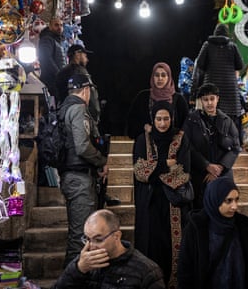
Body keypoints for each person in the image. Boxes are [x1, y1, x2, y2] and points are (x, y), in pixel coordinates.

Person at [133, 101, 191, 288]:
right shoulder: (143, 140)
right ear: (153, 119)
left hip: (174, 204)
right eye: (158, 119)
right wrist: (167, 164)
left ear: (172, 118)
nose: (163, 123)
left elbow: (183, 173)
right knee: (150, 245)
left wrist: (155, 171)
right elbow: (140, 172)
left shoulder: (181, 139)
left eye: (166, 119)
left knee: (173, 247)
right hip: (150, 203)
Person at [177, 176, 248, 289]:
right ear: (215, 199)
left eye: (236, 200)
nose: (234, 206)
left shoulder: (244, 229)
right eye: (228, 201)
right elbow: (185, 270)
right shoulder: (196, 229)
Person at [57, 73, 108, 267]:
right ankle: (74, 280)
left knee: (77, 235)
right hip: (79, 179)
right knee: (81, 237)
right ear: (86, 90)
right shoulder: (78, 109)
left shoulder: (63, 108)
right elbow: (82, 146)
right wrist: (101, 161)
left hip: (71, 177)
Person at [54, 209, 165, 289]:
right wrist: (78, 269)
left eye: (98, 239)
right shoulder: (85, 262)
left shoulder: (146, 270)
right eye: (87, 239)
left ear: (116, 236)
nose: (91, 246)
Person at [182, 83, 240, 209]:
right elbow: (187, 146)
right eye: (205, 99)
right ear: (201, 101)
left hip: (223, 173)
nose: (209, 103)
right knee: (200, 210)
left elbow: (235, 147)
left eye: (212, 99)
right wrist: (206, 165)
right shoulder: (191, 120)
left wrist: (219, 168)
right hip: (200, 173)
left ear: (217, 99)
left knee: (223, 209)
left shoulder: (227, 121)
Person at [192, 23, 246, 144]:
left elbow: (200, 64)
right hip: (230, 91)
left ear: (215, 32)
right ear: (227, 34)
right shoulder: (232, 46)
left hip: (211, 89)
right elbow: (240, 65)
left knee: (211, 119)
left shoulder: (207, 45)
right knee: (230, 121)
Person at [126, 62, 189, 139]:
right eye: (157, 75)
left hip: (173, 147)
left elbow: (187, 127)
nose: (160, 78)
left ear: (169, 77)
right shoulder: (142, 97)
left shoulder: (179, 100)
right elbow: (131, 126)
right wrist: (144, 127)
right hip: (146, 147)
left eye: (163, 75)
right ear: (153, 77)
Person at [55, 44, 101, 136]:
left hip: (65, 120)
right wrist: (95, 119)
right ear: (78, 54)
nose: (87, 59)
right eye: (85, 55)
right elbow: (90, 98)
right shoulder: (80, 72)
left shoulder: (61, 73)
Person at [38, 17, 66, 101]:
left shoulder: (56, 41)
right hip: (50, 81)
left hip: (55, 81)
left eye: (61, 25)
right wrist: (58, 74)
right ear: (50, 27)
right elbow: (46, 59)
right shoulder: (47, 39)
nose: (59, 27)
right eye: (56, 25)